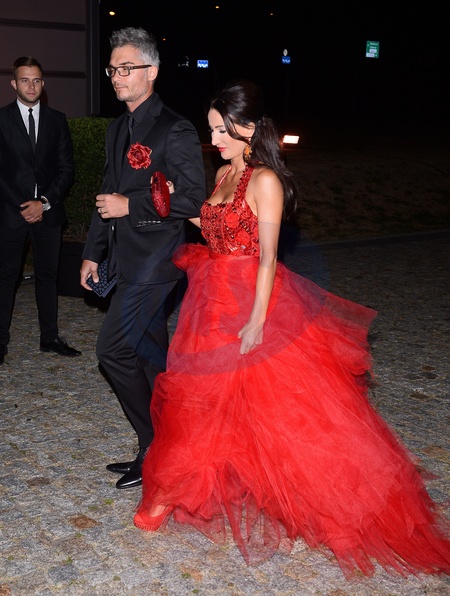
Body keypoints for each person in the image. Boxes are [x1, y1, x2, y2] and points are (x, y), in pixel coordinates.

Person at [133, 80, 450, 578]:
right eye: (211, 129)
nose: (214, 138)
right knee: (199, 399)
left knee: (283, 413)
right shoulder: (225, 172)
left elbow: (267, 258)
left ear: (249, 127)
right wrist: (174, 200)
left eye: (222, 129)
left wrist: (258, 321)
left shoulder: (265, 181)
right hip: (209, 303)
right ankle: (171, 492)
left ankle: (329, 503)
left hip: (249, 301)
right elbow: (216, 227)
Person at [80, 28, 206, 490]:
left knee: (111, 350)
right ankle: (172, 448)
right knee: (152, 358)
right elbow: (105, 195)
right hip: (123, 258)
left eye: (126, 68)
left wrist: (130, 205)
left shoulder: (175, 128)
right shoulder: (118, 128)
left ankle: (153, 444)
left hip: (157, 261)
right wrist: (93, 254)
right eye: (113, 69)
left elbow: (192, 199)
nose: (117, 77)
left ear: (151, 71)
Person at [0, 56, 80, 366]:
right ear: (14, 83)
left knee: (48, 276)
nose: (31, 86)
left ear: (43, 84)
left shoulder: (57, 119)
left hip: (48, 211)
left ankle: (50, 337)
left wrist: (43, 202)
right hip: (11, 213)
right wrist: (23, 205)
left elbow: (66, 169)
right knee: (6, 277)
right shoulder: (2, 119)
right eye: (24, 80)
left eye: (36, 80)